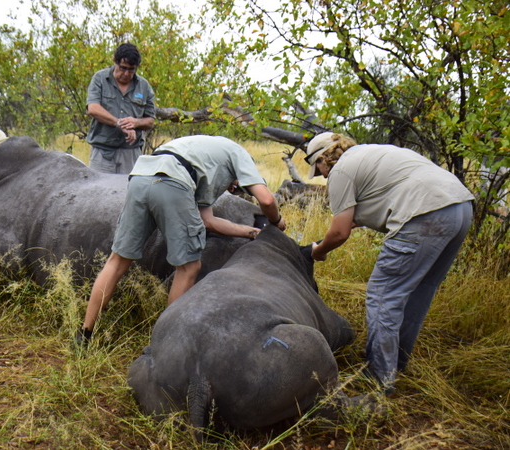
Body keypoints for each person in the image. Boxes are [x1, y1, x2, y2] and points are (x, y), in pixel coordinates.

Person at [77, 135, 287, 346]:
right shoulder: (240, 154)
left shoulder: (205, 154)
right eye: (238, 187)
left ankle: (84, 335)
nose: (233, 190)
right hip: (173, 181)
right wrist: (276, 222)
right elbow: (266, 199)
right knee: (188, 268)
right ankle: (164, 345)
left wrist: (251, 233)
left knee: (117, 262)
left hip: (141, 176)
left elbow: (208, 221)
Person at [305, 132, 474, 394]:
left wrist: (319, 250)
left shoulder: (341, 171)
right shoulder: (371, 153)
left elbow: (339, 232)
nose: (321, 175)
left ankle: (379, 378)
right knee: (418, 293)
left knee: (383, 295)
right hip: (460, 208)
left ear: (323, 158)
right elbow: (366, 209)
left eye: (318, 168)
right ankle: (396, 363)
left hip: (425, 214)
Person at [86, 43, 156, 174]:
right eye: (122, 68)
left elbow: (150, 120)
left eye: (131, 70)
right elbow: (93, 109)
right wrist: (119, 123)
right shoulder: (100, 79)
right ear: (115, 62)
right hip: (102, 153)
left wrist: (136, 123)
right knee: (99, 192)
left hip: (131, 155)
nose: (126, 73)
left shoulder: (144, 86)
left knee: (130, 192)